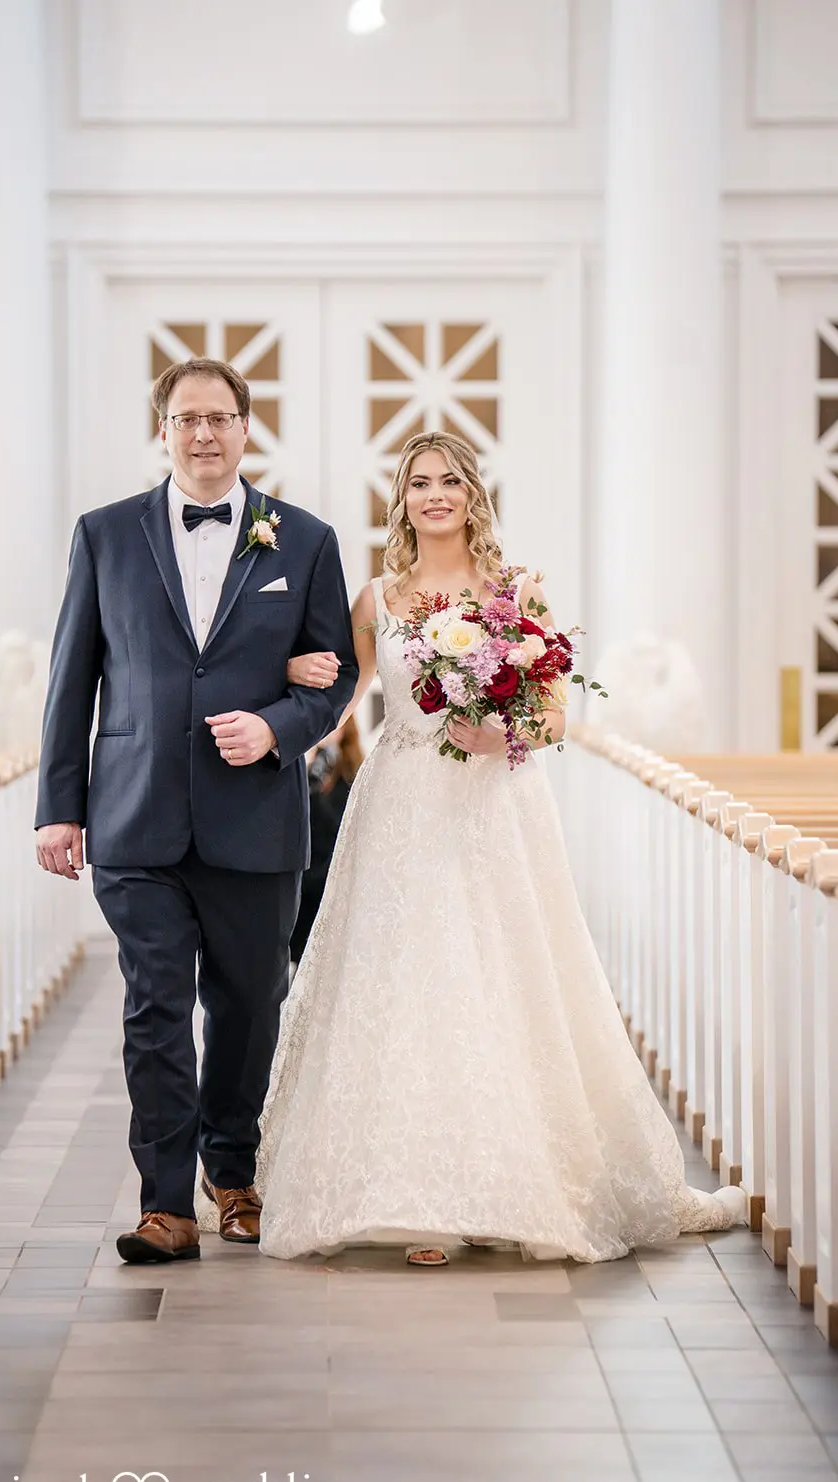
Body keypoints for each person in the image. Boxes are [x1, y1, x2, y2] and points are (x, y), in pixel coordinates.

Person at [255, 430, 745, 1267]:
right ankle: (417, 1197)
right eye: (419, 483)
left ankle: (498, 1182)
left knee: (500, 976)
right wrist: (279, 709)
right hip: (403, 804)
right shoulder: (378, 598)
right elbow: (341, 699)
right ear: (401, 499)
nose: (434, 494)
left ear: (473, 495)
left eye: (450, 481)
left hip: (493, 806)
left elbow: (554, 714)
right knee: (406, 977)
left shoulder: (517, 593)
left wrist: (501, 733)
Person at [33, 357, 357, 1265]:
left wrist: (279, 727)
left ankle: (233, 1169)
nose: (204, 434)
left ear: (247, 430)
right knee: (156, 1005)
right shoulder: (104, 535)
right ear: (163, 430)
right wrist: (60, 807)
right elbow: (71, 680)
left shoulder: (304, 540)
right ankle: (165, 1204)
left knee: (251, 1004)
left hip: (256, 818)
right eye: (187, 419)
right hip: (136, 815)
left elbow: (337, 676)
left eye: (220, 418)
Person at [290, 720, 364, 965]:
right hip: (303, 871)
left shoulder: (350, 772)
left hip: (328, 870)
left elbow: (338, 826)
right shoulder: (304, 765)